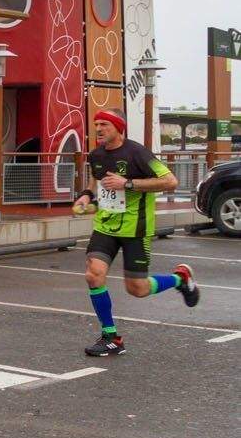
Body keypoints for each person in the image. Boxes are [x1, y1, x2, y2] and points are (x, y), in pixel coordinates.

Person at [73, 110, 199, 356]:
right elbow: (94, 185)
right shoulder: (96, 155)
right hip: (106, 226)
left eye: (104, 124)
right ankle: (111, 337)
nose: (98, 129)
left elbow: (170, 181)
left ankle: (180, 279)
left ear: (119, 128)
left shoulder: (137, 153)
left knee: (137, 289)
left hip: (136, 228)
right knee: (93, 275)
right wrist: (85, 197)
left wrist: (127, 184)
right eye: (96, 124)